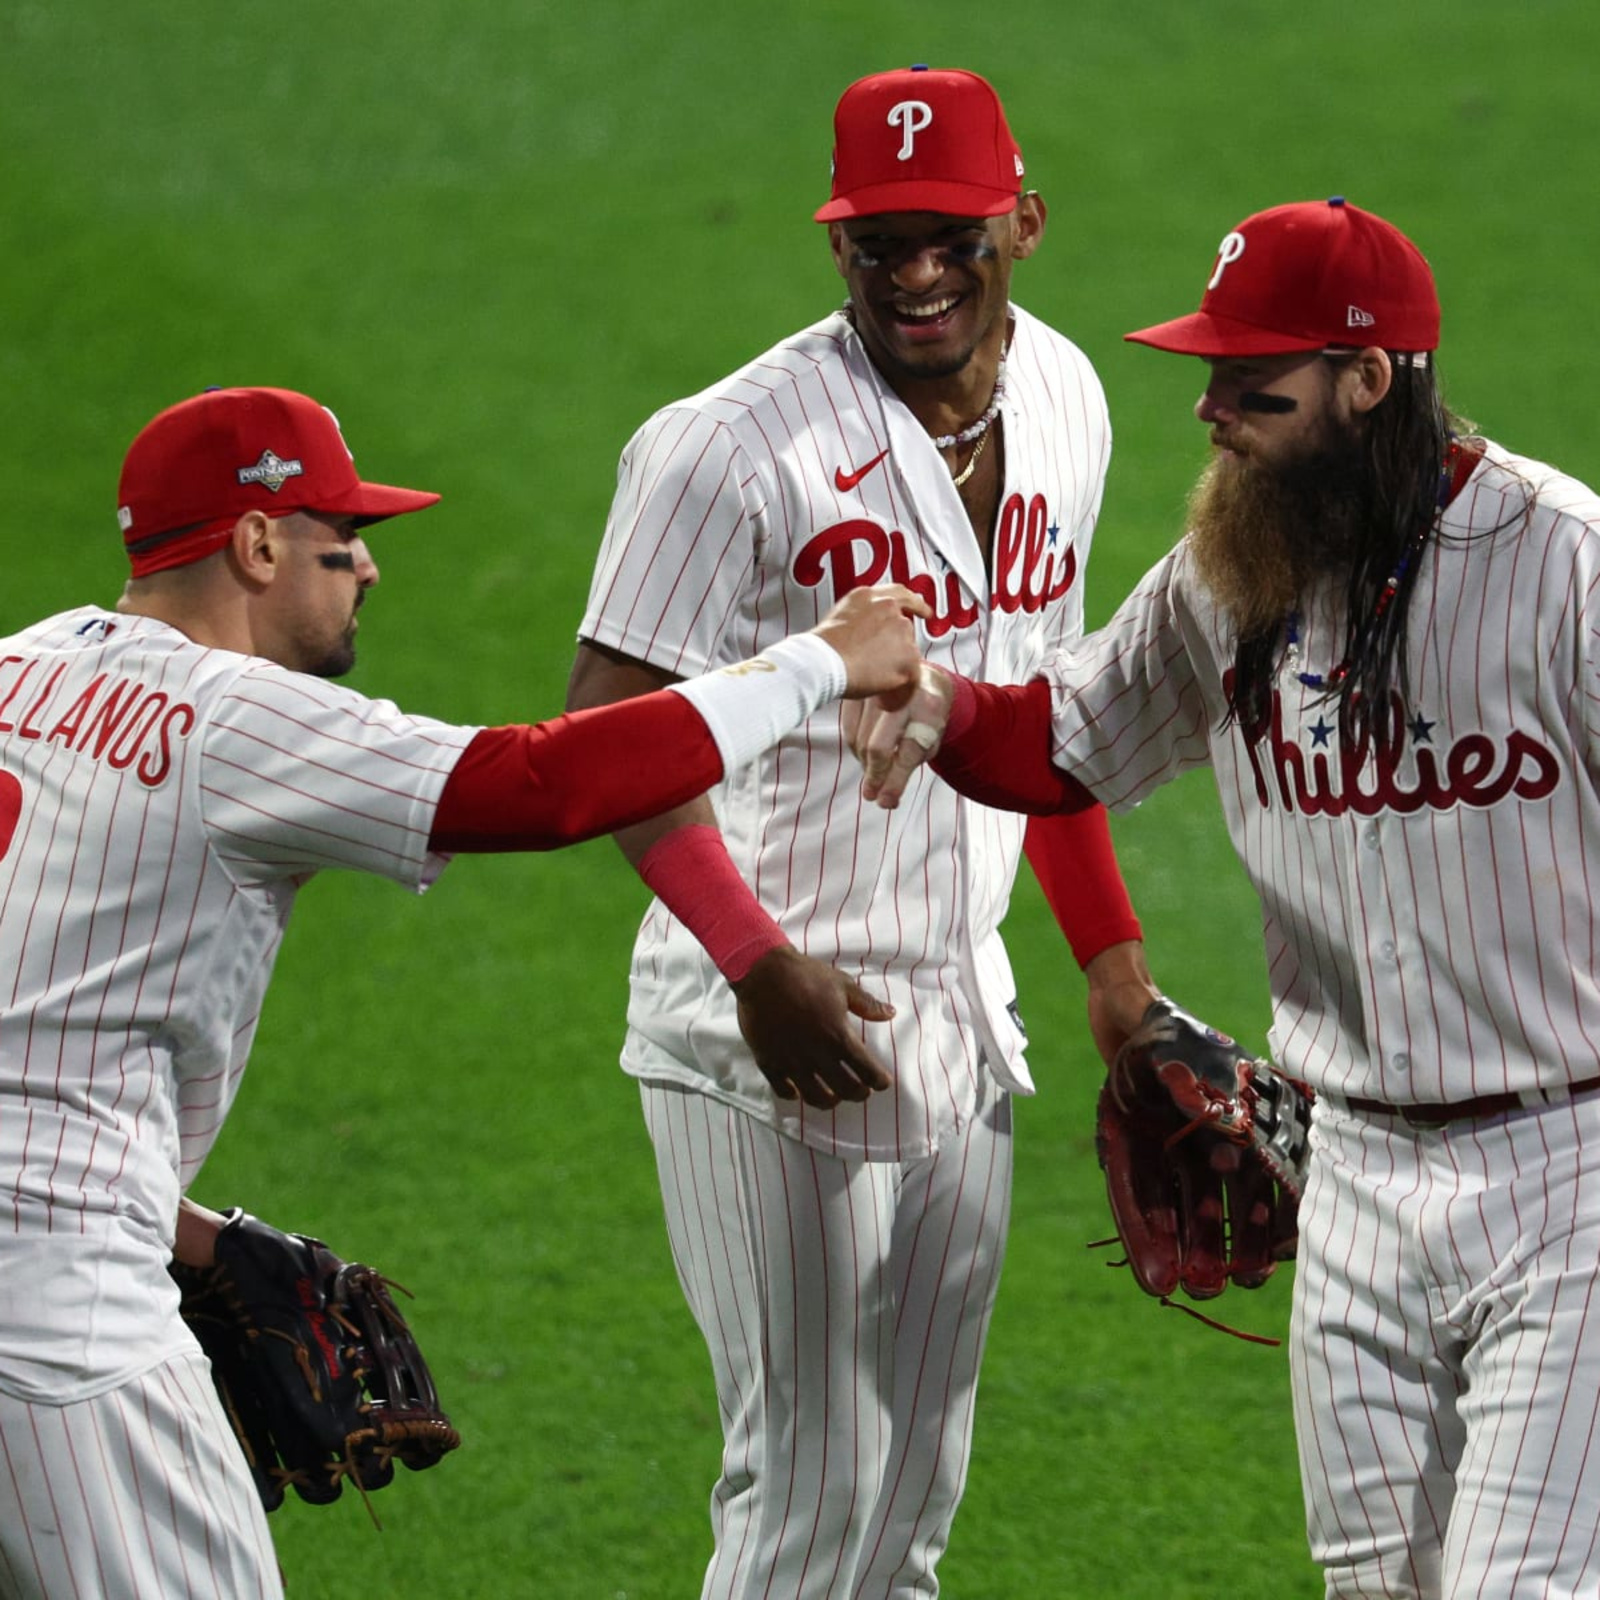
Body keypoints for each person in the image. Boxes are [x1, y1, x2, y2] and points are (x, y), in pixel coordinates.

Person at [0, 384, 925, 1600]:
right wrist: (824, 657)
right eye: (344, 539)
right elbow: (538, 785)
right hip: (59, 1316)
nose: (369, 570)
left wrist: (179, 1224)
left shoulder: (20, 668)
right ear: (258, 543)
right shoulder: (232, 715)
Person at [849, 195, 1600, 1599]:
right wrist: (935, 696)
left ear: (1369, 381)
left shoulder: (1565, 564)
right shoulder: (1234, 570)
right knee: (1380, 1584)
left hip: (1572, 1172)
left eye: (1254, 383)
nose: (1211, 410)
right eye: (1206, 374)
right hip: (1354, 1173)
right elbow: (1064, 742)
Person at [566, 65, 1208, 1599]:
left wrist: (1115, 979)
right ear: (832, 245)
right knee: (806, 1492)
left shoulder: (1064, 394)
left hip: (959, 1014)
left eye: (951, 239)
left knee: (911, 1505)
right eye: (879, 243)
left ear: (1023, 224)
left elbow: (1043, 726)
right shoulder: (723, 448)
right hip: (760, 1025)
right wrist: (752, 961)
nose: (916, 275)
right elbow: (600, 743)